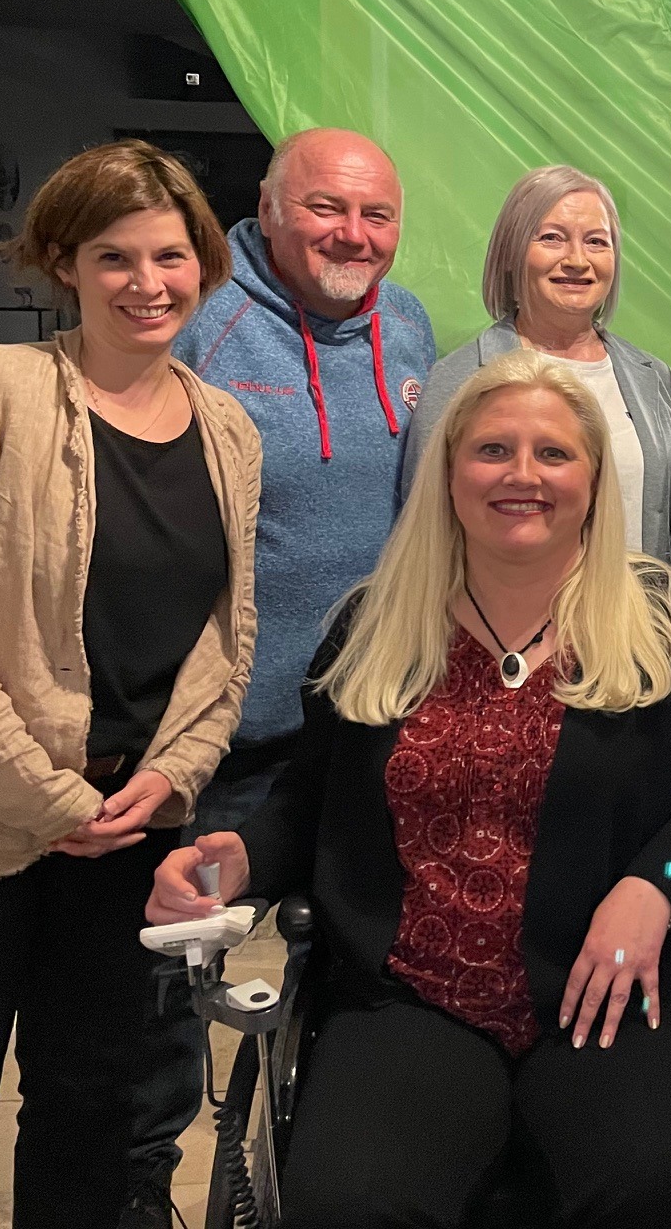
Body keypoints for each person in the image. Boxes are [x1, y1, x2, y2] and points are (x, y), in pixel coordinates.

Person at [146, 350, 671, 1229]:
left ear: (595, 479)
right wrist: (238, 859)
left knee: (659, 1191)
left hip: (606, 993)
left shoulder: (669, 626)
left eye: (554, 453)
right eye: (493, 450)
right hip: (408, 997)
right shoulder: (375, 626)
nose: (523, 475)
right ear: (447, 473)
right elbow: (313, 798)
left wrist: (655, 885)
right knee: (349, 1203)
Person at [0, 141, 260, 1229]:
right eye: (114, 257)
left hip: (125, 829)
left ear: (204, 263)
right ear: (65, 264)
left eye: (170, 256)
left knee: (91, 1121)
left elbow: (225, 637)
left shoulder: (228, 431)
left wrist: (176, 773)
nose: (148, 282)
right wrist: (47, 801)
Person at [126, 126, 434, 1220]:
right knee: (166, 999)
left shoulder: (410, 324)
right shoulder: (202, 323)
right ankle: (144, 1188)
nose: (353, 235)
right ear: (266, 208)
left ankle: (324, 1180)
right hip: (224, 745)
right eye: (326, 209)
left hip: (360, 729)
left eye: (376, 214)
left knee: (352, 976)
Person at [403, 165, 671, 560]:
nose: (577, 260)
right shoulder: (459, 379)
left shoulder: (653, 380)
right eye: (552, 238)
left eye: (596, 242)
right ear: (510, 253)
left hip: (637, 601)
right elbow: (425, 533)